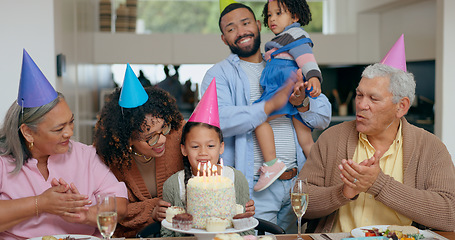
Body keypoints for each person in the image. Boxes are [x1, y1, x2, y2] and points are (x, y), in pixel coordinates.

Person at [299, 35, 455, 233]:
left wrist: (378, 184)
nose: (362, 105)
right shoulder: (332, 138)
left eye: (374, 98)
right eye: (359, 94)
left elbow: (450, 214)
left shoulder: (431, 148)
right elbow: (301, 203)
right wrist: (343, 192)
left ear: (401, 106)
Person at [201, 2, 331, 233]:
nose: (241, 32)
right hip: (255, 188)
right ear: (224, 39)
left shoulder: (285, 61)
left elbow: (323, 116)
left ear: (259, 25)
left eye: (245, 23)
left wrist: (300, 102)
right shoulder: (218, 75)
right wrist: (269, 106)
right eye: (231, 29)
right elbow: (217, 122)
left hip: (297, 183)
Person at [0, 50, 128, 239]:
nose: (69, 132)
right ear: (28, 132)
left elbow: (120, 205)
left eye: (71, 122)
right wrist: (41, 203)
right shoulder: (3, 160)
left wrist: (84, 215)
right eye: (58, 129)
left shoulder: (85, 155)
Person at [93, 64, 185, 237]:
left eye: (163, 128)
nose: (162, 139)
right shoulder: (113, 159)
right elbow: (113, 209)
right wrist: (151, 211)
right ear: (128, 139)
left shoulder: (177, 135)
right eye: (151, 137)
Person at [161, 80, 255, 236]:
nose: (203, 152)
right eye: (195, 146)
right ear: (183, 149)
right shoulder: (173, 185)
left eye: (210, 146)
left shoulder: (235, 179)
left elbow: (246, 229)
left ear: (221, 147)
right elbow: (167, 233)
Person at [253, 0, 323, 192]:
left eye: (279, 13)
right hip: (292, 91)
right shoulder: (283, 39)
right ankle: (322, 172)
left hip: (284, 91)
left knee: (258, 118)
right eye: (269, 15)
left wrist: (314, 77)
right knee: (305, 138)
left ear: (295, 16)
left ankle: (272, 163)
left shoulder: (294, 35)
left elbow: (307, 58)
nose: (272, 18)